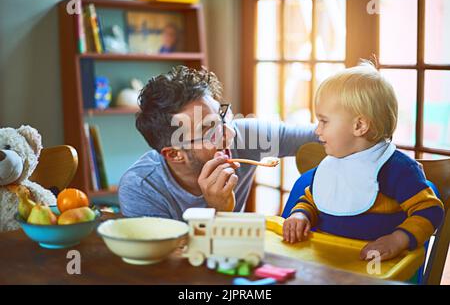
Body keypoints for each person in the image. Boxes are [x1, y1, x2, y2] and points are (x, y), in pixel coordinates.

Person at [283, 61, 444, 261]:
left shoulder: (397, 170)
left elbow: (430, 210)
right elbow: (312, 199)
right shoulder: (331, 163)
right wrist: (300, 215)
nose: (317, 130)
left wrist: (397, 239)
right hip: (326, 263)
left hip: (375, 269)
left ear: (359, 125)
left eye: (324, 121)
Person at [118, 66, 318, 221]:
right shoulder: (141, 188)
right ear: (174, 154)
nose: (230, 133)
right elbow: (174, 268)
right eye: (210, 130)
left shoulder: (248, 136)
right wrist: (219, 211)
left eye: (223, 117)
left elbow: (324, 135)